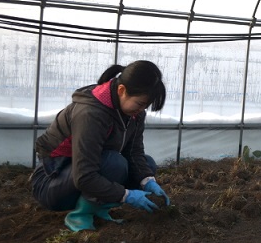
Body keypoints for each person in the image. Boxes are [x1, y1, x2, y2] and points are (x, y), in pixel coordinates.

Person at [31, 60, 171, 232]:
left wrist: (148, 181)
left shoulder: (133, 113)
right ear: (121, 90)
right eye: (140, 104)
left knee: (146, 165)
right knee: (114, 163)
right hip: (52, 183)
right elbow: (84, 176)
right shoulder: (91, 114)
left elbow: (134, 152)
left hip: (80, 176)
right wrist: (126, 195)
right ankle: (80, 215)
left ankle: (98, 209)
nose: (142, 110)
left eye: (146, 106)